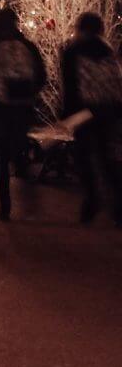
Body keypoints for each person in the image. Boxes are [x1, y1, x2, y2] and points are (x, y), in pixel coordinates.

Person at [0, 7, 46, 221]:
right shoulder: (28, 46)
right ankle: (27, 189)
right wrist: (30, 93)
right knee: (19, 150)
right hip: (23, 106)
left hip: (0, 107)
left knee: (1, 157)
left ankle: (5, 207)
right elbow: (42, 76)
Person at [60, 12, 122, 225]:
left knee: (84, 157)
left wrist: (67, 113)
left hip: (84, 110)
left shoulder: (73, 50)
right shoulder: (107, 49)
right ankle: (118, 206)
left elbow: (70, 84)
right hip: (108, 109)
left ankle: (92, 200)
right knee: (106, 158)